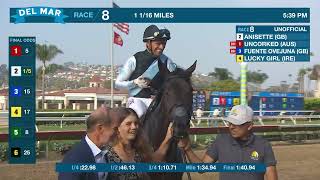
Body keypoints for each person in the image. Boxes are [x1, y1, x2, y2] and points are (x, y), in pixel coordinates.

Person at [178, 105, 278, 180]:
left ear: (250, 125)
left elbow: (271, 175)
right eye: (230, 122)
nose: (231, 127)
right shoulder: (221, 141)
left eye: (236, 123)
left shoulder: (263, 145)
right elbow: (202, 168)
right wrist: (188, 149)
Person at [115, 24, 177, 118]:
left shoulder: (167, 62)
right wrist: (134, 83)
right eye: (158, 43)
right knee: (139, 113)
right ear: (148, 43)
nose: (161, 47)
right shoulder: (134, 59)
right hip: (137, 100)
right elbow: (118, 83)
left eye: (164, 43)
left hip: (157, 101)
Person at [105, 107, 174, 180]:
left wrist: (168, 138)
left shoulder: (140, 151)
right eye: (128, 124)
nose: (134, 127)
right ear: (117, 127)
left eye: (136, 123)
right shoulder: (106, 154)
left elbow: (155, 160)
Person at [58, 107, 120, 180]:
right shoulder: (74, 159)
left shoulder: (103, 152)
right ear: (100, 129)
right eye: (115, 129)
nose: (118, 132)